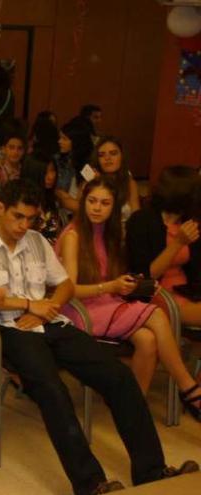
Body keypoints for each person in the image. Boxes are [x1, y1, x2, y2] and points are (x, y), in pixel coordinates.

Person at [0, 179, 198, 494]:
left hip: (51, 321)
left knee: (118, 376)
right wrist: (25, 304)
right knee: (53, 390)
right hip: (9, 328)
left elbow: (64, 284)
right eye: (17, 217)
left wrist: (47, 305)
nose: (24, 225)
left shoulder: (36, 240)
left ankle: (152, 469)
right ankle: (90, 482)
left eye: (30, 219)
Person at [56, 178, 201, 412]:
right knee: (156, 315)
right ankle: (189, 387)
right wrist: (111, 287)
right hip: (78, 308)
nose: (96, 208)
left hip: (108, 303)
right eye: (92, 201)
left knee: (148, 340)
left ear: (113, 207)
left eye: (104, 203)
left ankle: (133, 407)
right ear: (83, 202)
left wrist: (127, 285)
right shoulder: (73, 236)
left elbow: (116, 277)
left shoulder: (108, 234)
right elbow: (68, 290)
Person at [127, 166, 201, 330]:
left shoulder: (190, 220)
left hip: (188, 290)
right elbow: (145, 276)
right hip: (156, 294)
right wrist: (178, 243)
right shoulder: (142, 221)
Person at [90, 137, 139, 223]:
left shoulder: (130, 183)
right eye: (101, 155)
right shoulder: (92, 182)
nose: (107, 158)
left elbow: (137, 217)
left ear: (122, 156)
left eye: (113, 153)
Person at [20, 152, 64, 243]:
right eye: (45, 172)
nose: (51, 176)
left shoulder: (53, 197)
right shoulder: (24, 202)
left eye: (52, 170)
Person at [0, 133, 25, 203]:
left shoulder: (25, 170)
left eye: (19, 148)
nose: (15, 152)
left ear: (23, 151)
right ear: (4, 149)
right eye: (11, 147)